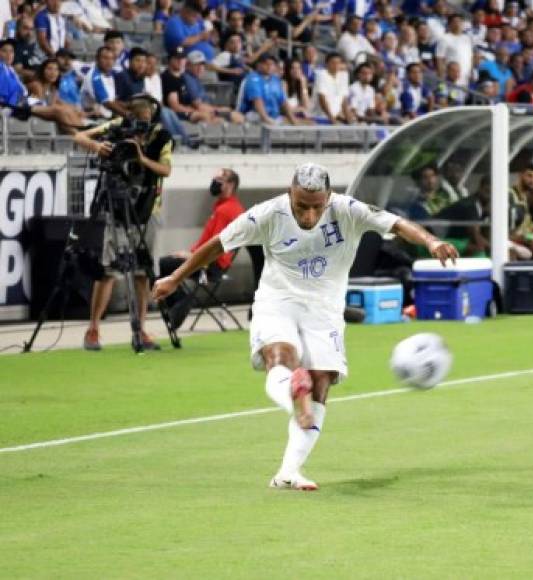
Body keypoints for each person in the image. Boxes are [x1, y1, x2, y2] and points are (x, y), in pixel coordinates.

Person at [152, 162, 459, 491]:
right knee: (280, 356)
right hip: (277, 301)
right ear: (290, 194)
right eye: (301, 207)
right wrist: (175, 277)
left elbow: (396, 224)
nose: (309, 216)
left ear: (328, 198)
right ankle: (293, 393)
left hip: (324, 311)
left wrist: (430, 241)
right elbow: (218, 243)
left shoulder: (348, 209)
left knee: (320, 383)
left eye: (316, 207)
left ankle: (288, 471)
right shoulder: (267, 214)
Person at [74, 94, 174, 351]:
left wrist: (141, 158)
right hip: (117, 207)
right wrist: (97, 147)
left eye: (147, 119)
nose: (143, 124)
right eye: (139, 119)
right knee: (108, 270)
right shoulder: (117, 126)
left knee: (142, 273)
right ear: (130, 115)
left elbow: (165, 170)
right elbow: (80, 136)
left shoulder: (162, 136)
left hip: (148, 209)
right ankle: (93, 330)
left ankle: (140, 331)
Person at [158, 168, 246, 329]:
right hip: (209, 260)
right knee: (170, 261)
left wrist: (191, 257)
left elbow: (216, 245)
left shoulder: (225, 211)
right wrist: (189, 254)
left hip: (211, 264)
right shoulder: (226, 207)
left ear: (230, 185)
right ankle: (179, 304)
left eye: (220, 179)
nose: (215, 181)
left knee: (164, 264)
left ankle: (181, 302)